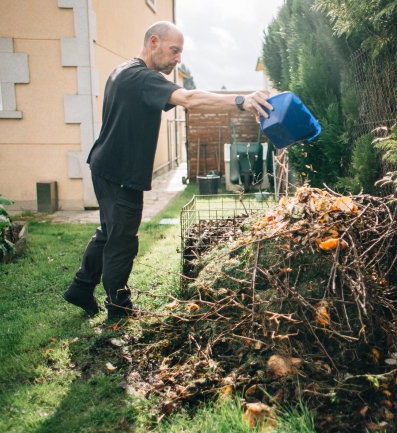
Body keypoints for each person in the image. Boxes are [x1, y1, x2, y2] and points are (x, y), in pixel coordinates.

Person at [63, 21, 272, 320]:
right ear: (153, 42)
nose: (178, 59)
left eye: (180, 52)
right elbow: (189, 98)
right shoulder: (141, 78)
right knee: (122, 240)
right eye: (174, 51)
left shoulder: (123, 70)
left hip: (104, 164)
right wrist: (241, 100)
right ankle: (119, 309)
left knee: (108, 233)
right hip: (120, 173)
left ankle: (81, 288)